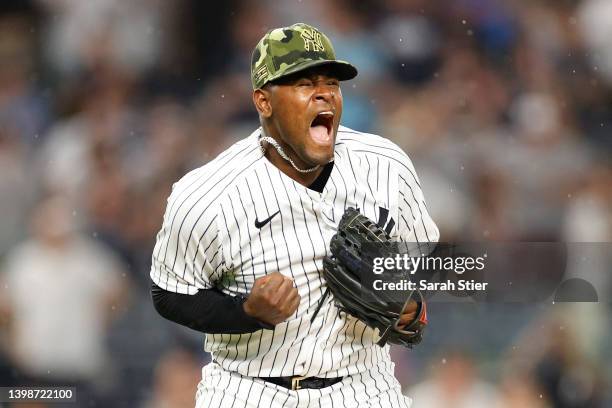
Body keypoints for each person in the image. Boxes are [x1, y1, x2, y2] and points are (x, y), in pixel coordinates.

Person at [150, 23, 438, 407]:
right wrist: (245, 312)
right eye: (304, 84)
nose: (324, 93)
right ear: (263, 102)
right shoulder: (208, 194)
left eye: (331, 83)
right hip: (249, 388)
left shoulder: (386, 165)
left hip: (364, 383)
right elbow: (170, 294)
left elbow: (426, 267)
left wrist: (409, 310)